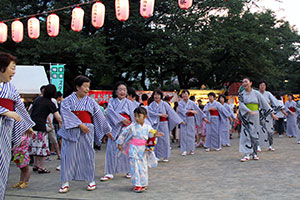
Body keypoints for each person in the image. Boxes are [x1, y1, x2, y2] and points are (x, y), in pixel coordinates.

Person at [58, 75, 111, 193]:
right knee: (68, 156)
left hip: (87, 130)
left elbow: (99, 116)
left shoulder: (91, 101)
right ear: (77, 87)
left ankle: (90, 179)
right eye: (85, 86)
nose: (87, 89)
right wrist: (79, 124)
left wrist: (107, 130)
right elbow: (66, 114)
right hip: (71, 131)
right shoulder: (67, 101)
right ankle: (65, 182)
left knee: (87, 155)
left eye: (88, 87)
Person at [0, 52, 35, 200]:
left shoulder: (11, 88)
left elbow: (19, 107)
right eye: (12, 68)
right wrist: (4, 111)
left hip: (5, 130)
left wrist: (26, 124)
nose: (14, 72)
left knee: (2, 165)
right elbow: (10, 110)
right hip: (5, 120)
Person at [116, 107, 163, 193]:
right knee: (134, 167)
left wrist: (155, 136)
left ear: (145, 117)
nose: (137, 118)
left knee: (143, 167)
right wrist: (119, 143)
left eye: (139, 116)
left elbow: (151, 136)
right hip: (134, 148)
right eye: (135, 116)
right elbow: (123, 134)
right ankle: (137, 184)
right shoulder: (132, 126)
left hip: (143, 149)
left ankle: (143, 183)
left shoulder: (148, 127)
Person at [101, 82, 136, 181]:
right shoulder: (111, 101)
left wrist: (133, 127)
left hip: (126, 128)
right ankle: (109, 172)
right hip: (114, 127)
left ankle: (129, 170)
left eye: (124, 90)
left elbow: (133, 116)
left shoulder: (129, 103)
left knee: (127, 150)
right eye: (120, 89)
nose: (122, 92)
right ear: (116, 91)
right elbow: (109, 113)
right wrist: (121, 119)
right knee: (111, 150)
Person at [238, 78, 276, 162]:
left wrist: (271, 113)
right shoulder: (241, 94)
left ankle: (254, 153)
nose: (244, 83)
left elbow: (264, 104)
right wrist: (248, 111)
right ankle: (247, 153)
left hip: (255, 115)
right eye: (243, 82)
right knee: (246, 133)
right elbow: (241, 105)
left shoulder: (256, 93)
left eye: (246, 82)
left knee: (254, 133)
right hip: (246, 116)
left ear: (250, 83)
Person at [29, 84, 62, 173]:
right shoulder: (50, 103)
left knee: (35, 146)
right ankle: (41, 167)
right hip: (41, 126)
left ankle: (35, 165)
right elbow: (58, 117)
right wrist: (63, 123)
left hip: (32, 126)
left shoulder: (37, 99)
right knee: (43, 147)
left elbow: (30, 110)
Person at [147, 89, 184, 162]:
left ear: (161, 96)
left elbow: (171, 113)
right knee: (156, 140)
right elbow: (149, 113)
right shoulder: (151, 105)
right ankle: (156, 155)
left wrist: (179, 120)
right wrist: (159, 114)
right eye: (155, 95)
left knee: (165, 140)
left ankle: (165, 155)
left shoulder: (165, 104)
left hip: (164, 124)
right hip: (155, 124)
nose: (156, 96)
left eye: (158, 95)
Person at [177, 90, 208, 156]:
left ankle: (191, 149)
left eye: (185, 94)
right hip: (184, 120)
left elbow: (198, 110)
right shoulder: (180, 103)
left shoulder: (192, 103)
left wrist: (203, 117)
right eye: (183, 94)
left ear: (188, 95)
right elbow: (180, 110)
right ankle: (184, 150)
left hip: (191, 119)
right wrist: (190, 111)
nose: (184, 95)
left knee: (191, 134)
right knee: (183, 135)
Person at [257, 81, 285, 151]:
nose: (262, 86)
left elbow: (275, 102)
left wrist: (275, 111)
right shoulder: (256, 94)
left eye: (264, 85)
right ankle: (258, 145)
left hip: (268, 113)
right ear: (259, 86)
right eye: (261, 85)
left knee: (269, 130)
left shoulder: (268, 94)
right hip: (258, 113)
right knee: (259, 130)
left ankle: (270, 145)